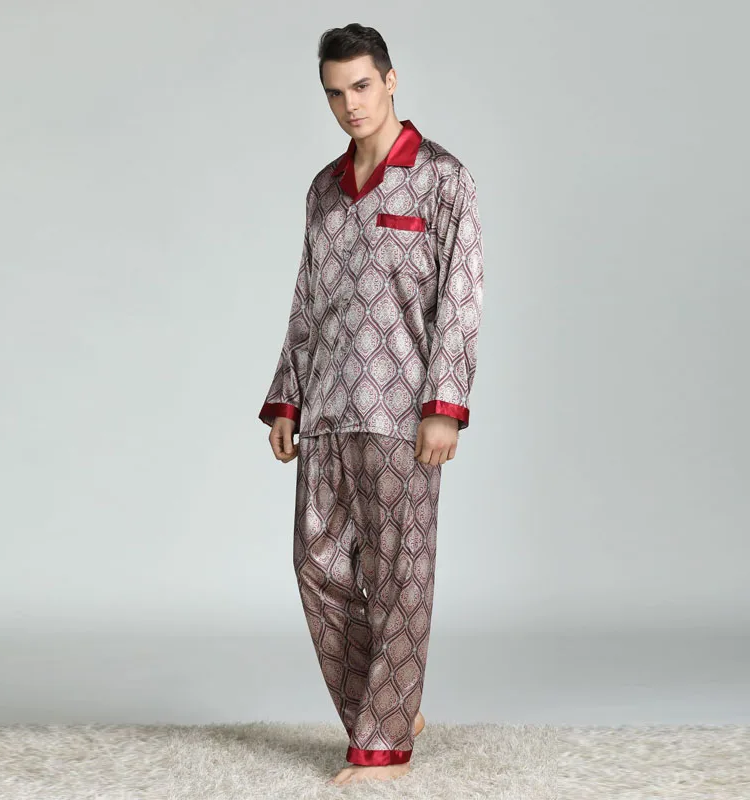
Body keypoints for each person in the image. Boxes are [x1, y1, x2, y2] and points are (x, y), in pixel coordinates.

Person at [258, 23, 484, 787]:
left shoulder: (442, 178)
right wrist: (286, 397)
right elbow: (307, 300)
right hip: (326, 408)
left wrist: (444, 404)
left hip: (401, 411)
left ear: (390, 80)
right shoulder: (324, 189)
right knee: (315, 568)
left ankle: (383, 747)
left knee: (397, 576)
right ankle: (389, 703)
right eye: (335, 93)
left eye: (361, 86)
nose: (350, 104)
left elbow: (461, 298)